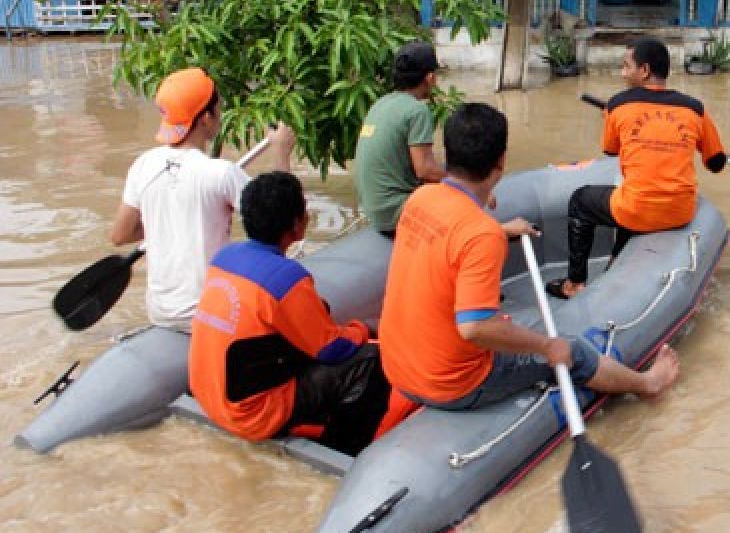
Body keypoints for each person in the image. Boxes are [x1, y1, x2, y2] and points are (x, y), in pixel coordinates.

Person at [378, 103, 680, 412]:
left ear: (449, 154)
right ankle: (649, 384)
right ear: (501, 160)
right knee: (572, 348)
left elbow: (453, 237)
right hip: (455, 384)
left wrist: (501, 229)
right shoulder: (481, 235)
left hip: (396, 368)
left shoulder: (420, 199)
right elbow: (475, 328)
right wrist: (547, 346)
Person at [189, 171, 391, 456]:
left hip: (210, 396)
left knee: (322, 312)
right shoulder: (287, 279)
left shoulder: (224, 258)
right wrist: (364, 328)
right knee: (371, 361)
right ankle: (345, 448)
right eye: (305, 210)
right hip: (251, 415)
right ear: (295, 225)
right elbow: (332, 349)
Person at [110, 68, 293, 330]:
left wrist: (164, 225)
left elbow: (120, 234)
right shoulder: (222, 173)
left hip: (159, 312)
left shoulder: (143, 165)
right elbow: (280, 224)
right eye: (218, 108)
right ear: (206, 118)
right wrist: (282, 152)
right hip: (209, 313)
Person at [545, 37, 727, 299]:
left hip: (637, 208)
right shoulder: (695, 109)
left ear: (644, 71)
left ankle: (574, 283)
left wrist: (612, 118)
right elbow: (716, 163)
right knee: (631, 195)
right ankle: (616, 263)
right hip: (679, 211)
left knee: (581, 201)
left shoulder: (619, 105)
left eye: (626, 66)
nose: (622, 73)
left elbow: (611, 151)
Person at [354, 42, 446, 238]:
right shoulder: (417, 110)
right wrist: (465, 181)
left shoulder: (380, 104)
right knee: (456, 189)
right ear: (430, 78)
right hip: (395, 213)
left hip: (373, 209)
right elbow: (425, 169)